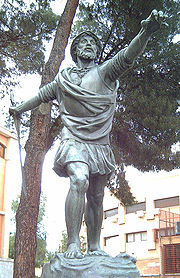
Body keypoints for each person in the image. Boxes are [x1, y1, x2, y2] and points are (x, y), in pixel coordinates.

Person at [10, 10, 166, 259]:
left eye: (93, 43)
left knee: (96, 194)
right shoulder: (64, 80)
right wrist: (19, 108)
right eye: (84, 42)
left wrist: (145, 32)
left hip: (99, 141)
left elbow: (126, 57)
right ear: (75, 50)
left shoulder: (104, 72)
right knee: (79, 179)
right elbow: (41, 96)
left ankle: (94, 246)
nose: (89, 45)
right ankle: (73, 243)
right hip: (73, 139)